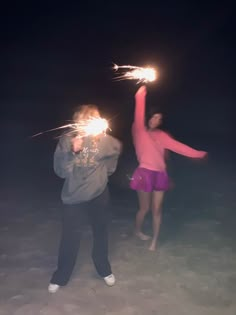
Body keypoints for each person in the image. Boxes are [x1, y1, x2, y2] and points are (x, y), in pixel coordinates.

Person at [48, 104, 122, 293]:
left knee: (101, 233)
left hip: (99, 195)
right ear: (78, 120)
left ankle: (104, 269)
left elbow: (114, 154)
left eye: (95, 117)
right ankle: (61, 276)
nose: (92, 121)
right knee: (70, 238)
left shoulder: (105, 141)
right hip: (73, 197)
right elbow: (60, 172)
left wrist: (102, 175)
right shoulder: (67, 140)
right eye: (87, 118)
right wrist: (73, 152)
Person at [130, 86, 207, 251]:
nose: (156, 120)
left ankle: (154, 241)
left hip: (160, 174)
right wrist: (140, 95)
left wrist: (198, 154)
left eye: (159, 119)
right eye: (154, 117)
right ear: (148, 117)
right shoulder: (139, 131)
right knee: (144, 208)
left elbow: (178, 147)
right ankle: (137, 230)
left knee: (157, 209)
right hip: (144, 173)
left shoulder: (161, 135)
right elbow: (138, 114)